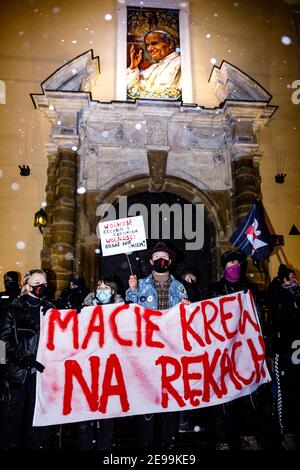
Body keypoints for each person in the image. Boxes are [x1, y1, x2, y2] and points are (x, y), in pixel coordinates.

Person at [126, 241, 189, 451]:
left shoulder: (180, 287)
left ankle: (170, 442)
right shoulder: (140, 284)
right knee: (147, 397)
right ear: (151, 261)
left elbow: (187, 321)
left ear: (170, 261)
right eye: (156, 257)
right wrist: (132, 290)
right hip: (147, 351)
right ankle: (146, 444)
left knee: (171, 395)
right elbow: (128, 312)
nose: (160, 260)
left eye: (164, 257)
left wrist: (188, 309)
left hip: (172, 350)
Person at [210, 250, 264, 450]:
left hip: (246, 350)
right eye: (230, 262)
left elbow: (257, 316)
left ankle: (248, 434)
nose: (235, 265)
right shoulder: (215, 289)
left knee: (250, 393)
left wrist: (261, 341)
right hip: (223, 350)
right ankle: (222, 438)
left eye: (237, 262)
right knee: (224, 396)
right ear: (223, 266)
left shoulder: (249, 290)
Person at [0, 269, 54, 449]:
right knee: (14, 425)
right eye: (37, 283)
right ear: (27, 285)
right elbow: (2, 342)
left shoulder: (50, 310)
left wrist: (70, 315)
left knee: (38, 425)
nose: (41, 286)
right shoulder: (12, 310)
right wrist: (24, 358)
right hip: (19, 375)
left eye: (44, 283)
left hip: (43, 376)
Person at [78, 277, 123, 451]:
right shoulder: (85, 308)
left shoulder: (122, 311)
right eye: (99, 287)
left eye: (106, 288)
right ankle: (85, 444)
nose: (102, 290)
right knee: (85, 411)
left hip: (110, 367)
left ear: (113, 291)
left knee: (107, 411)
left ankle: (105, 447)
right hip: (88, 366)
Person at [267, 264, 300, 450]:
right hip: (284, 353)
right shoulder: (278, 296)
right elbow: (272, 301)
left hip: (298, 353)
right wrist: (280, 284)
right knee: (284, 394)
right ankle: (285, 432)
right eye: (289, 278)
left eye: (294, 277)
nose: (293, 281)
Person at [127, 30, 181, 100]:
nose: (149, 49)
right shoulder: (153, 68)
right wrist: (133, 67)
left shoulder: (180, 63)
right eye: (147, 45)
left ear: (169, 44)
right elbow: (131, 91)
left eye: (154, 43)